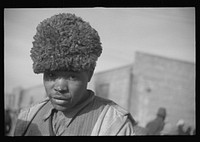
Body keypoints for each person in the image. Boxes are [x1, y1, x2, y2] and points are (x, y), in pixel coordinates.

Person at [14, 13, 143, 136]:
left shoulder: (113, 124)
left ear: (89, 75)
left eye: (72, 76)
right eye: (52, 74)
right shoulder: (28, 117)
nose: (60, 87)